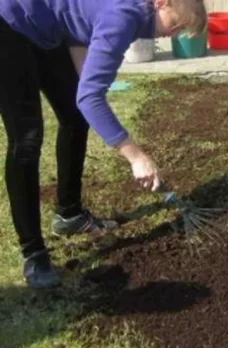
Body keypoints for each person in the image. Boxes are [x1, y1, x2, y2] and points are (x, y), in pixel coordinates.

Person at [0, 0, 207, 288]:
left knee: (75, 116)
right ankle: (33, 253)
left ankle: (69, 214)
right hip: (9, 21)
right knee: (27, 138)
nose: (171, 35)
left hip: (47, 26)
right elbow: (90, 98)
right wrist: (136, 157)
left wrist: (87, 85)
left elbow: (78, 29)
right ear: (161, 2)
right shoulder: (125, 17)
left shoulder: (130, 13)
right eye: (175, 24)